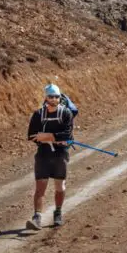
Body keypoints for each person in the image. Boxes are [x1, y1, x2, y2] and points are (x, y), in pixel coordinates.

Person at [25, 83, 74, 230]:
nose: (53, 99)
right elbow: (31, 136)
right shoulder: (38, 114)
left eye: (56, 96)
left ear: (60, 97)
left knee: (60, 185)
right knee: (40, 187)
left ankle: (58, 213)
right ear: (46, 98)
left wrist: (45, 136)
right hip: (43, 154)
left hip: (60, 153)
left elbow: (68, 135)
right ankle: (37, 217)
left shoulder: (66, 113)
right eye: (50, 96)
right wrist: (54, 137)